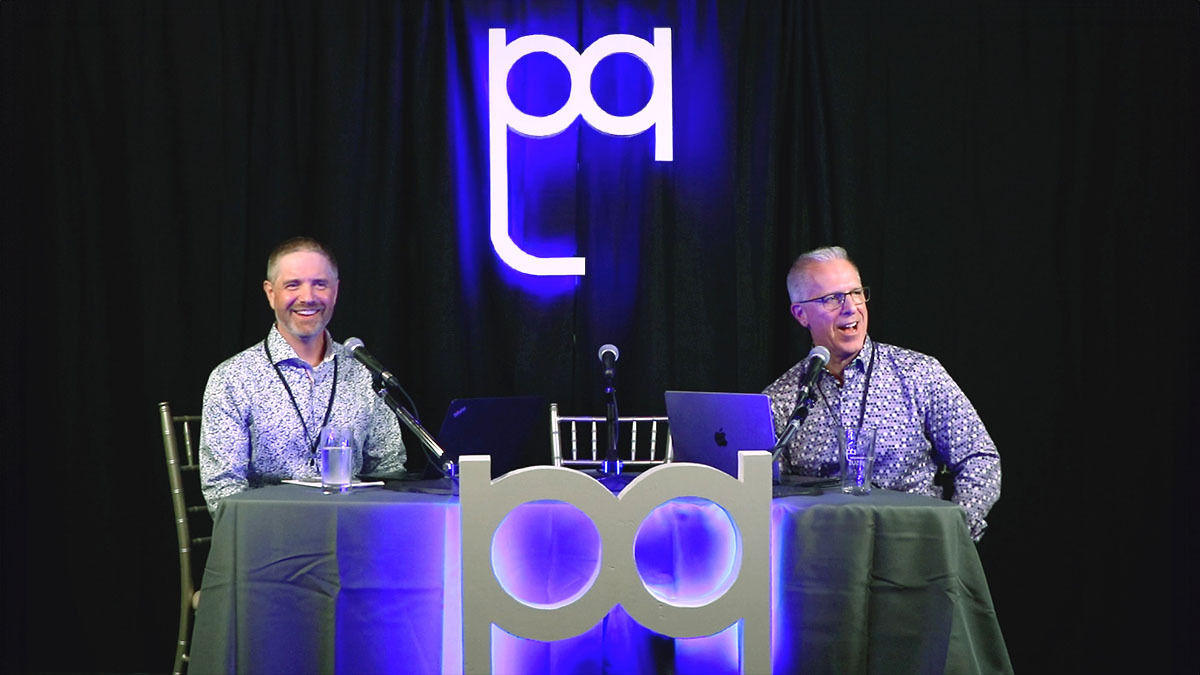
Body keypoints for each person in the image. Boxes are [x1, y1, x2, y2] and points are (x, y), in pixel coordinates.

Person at [763, 246, 1000, 540]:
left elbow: (979, 458)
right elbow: (767, 492)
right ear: (801, 314)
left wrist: (952, 537)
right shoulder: (780, 400)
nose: (851, 308)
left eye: (856, 293)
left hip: (915, 553)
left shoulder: (918, 373)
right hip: (822, 563)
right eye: (832, 299)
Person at [199, 236, 406, 511]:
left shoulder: (363, 373)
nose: (308, 297)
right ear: (271, 293)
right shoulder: (232, 378)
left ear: (335, 291)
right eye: (293, 285)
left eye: (320, 284)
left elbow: (389, 469)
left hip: (352, 538)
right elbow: (222, 491)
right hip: (270, 543)